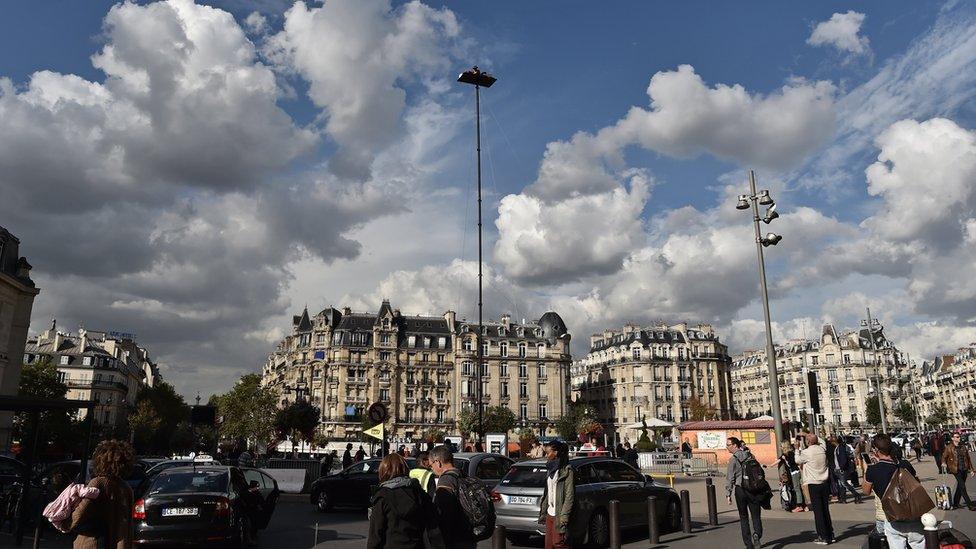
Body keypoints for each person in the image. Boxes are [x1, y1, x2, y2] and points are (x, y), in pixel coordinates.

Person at [366, 453, 446, 549]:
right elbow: (433, 526)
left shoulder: (383, 496)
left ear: (383, 471)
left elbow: (375, 535)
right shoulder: (419, 494)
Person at [68, 440, 135, 549]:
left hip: (93, 542)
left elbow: (80, 513)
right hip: (115, 543)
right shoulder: (126, 488)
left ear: (101, 461)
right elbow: (127, 524)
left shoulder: (98, 483)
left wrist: (66, 523)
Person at [863, 434, 924, 549]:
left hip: (893, 518)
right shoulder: (905, 464)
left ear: (876, 450)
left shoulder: (873, 470)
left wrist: (868, 469)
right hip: (913, 515)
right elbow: (917, 484)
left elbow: (866, 491)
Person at [429, 445, 476, 549]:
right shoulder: (462, 474)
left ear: (438, 462)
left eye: (431, 465)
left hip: (455, 538)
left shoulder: (446, 480)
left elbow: (443, 513)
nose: (431, 469)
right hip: (469, 534)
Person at [726, 437, 763, 549]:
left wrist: (728, 494)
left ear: (735, 445)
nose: (727, 447)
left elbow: (730, 478)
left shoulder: (733, 459)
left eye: (728, 445)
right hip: (753, 489)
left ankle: (748, 544)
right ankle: (757, 533)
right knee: (756, 515)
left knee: (743, 517)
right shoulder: (750, 455)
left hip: (740, 489)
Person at [797, 433, 834, 545]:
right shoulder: (822, 449)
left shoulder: (806, 452)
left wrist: (796, 448)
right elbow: (822, 441)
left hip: (814, 483)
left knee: (818, 512)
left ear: (808, 442)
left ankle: (822, 537)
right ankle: (830, 535)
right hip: (824, 483)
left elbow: (797, 460)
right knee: (825, 510)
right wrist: (809, 435)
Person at [538, 440, 575, 549]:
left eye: (548, 453)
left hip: (560, 513)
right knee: (549, 545)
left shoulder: (567, 471)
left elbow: (569, 495)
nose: (546, 455)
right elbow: (548, 492)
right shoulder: (550, 469)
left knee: (559, 543)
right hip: (550, 512)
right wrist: (544, 510)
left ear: (556, 453)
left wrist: (564, 515)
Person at [942, 432, 975, 510]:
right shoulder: (949, 447)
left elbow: (968, 459)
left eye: (959, 437)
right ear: (952, 438)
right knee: (962, 487)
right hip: (955, 469)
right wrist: (943, 463)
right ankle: (970, 505)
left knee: (960, 487)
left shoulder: (963, 447)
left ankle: (955, 503)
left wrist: (971, 470)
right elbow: (944, 456)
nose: (959, 438)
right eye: (957, 437)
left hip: (964, 469)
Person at [770, 441, 805, 512]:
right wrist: (770, 465)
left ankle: (800, 505)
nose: (780, 447)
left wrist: (785, 459)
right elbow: (779, 460)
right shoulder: (784, 454)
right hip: (792, 473)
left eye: (781, 446)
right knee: (796, 488)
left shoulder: (791, 453)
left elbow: (791, 464)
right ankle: (803, 505)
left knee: (797, 488)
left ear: (784, 447)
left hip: (795, 472)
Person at [831, 436, 861, 504]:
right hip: (838, 469)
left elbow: (843, 458)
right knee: (841, 484)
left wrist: (842, 467)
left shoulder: (841, 447)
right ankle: (843, 498)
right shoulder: (837, 448)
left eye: (832, 441)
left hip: (842, 469)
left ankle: (857, 495)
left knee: (844, 483)